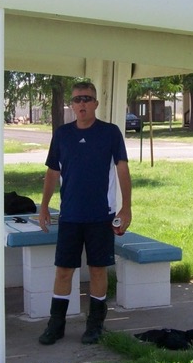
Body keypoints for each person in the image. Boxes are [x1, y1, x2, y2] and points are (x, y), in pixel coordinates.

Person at [37, 81, 132, 345]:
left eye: (87, 99)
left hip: (101, 215)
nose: (82, 104)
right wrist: (44, 206)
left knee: (98, 271)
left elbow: (122, 169)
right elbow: (52, 172)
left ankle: (95, 325)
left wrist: (127, 207)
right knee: (63, 271)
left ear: (96, 104)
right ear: (71, 104)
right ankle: (56, 325)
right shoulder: (62, 134)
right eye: (77, 99)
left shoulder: (110, 133)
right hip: (70, 216)